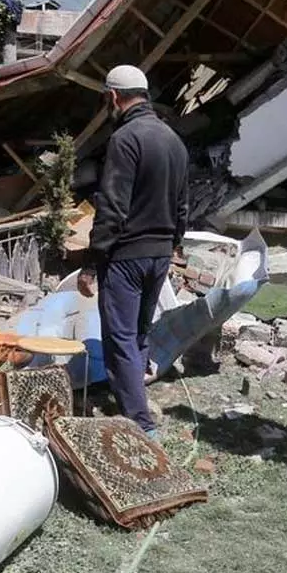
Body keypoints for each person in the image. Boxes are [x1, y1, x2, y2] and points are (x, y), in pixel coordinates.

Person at [77, 65, 190, 436]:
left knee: (121, 337)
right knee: (139, 333)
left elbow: (112, 208)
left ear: (113, 97)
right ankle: (134, 397)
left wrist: (92, 264)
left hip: (126, 256)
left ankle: (140, 426)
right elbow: (182, 206)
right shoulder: (173, 140)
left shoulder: (125, 139)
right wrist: (172, 245)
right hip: (159, 254)